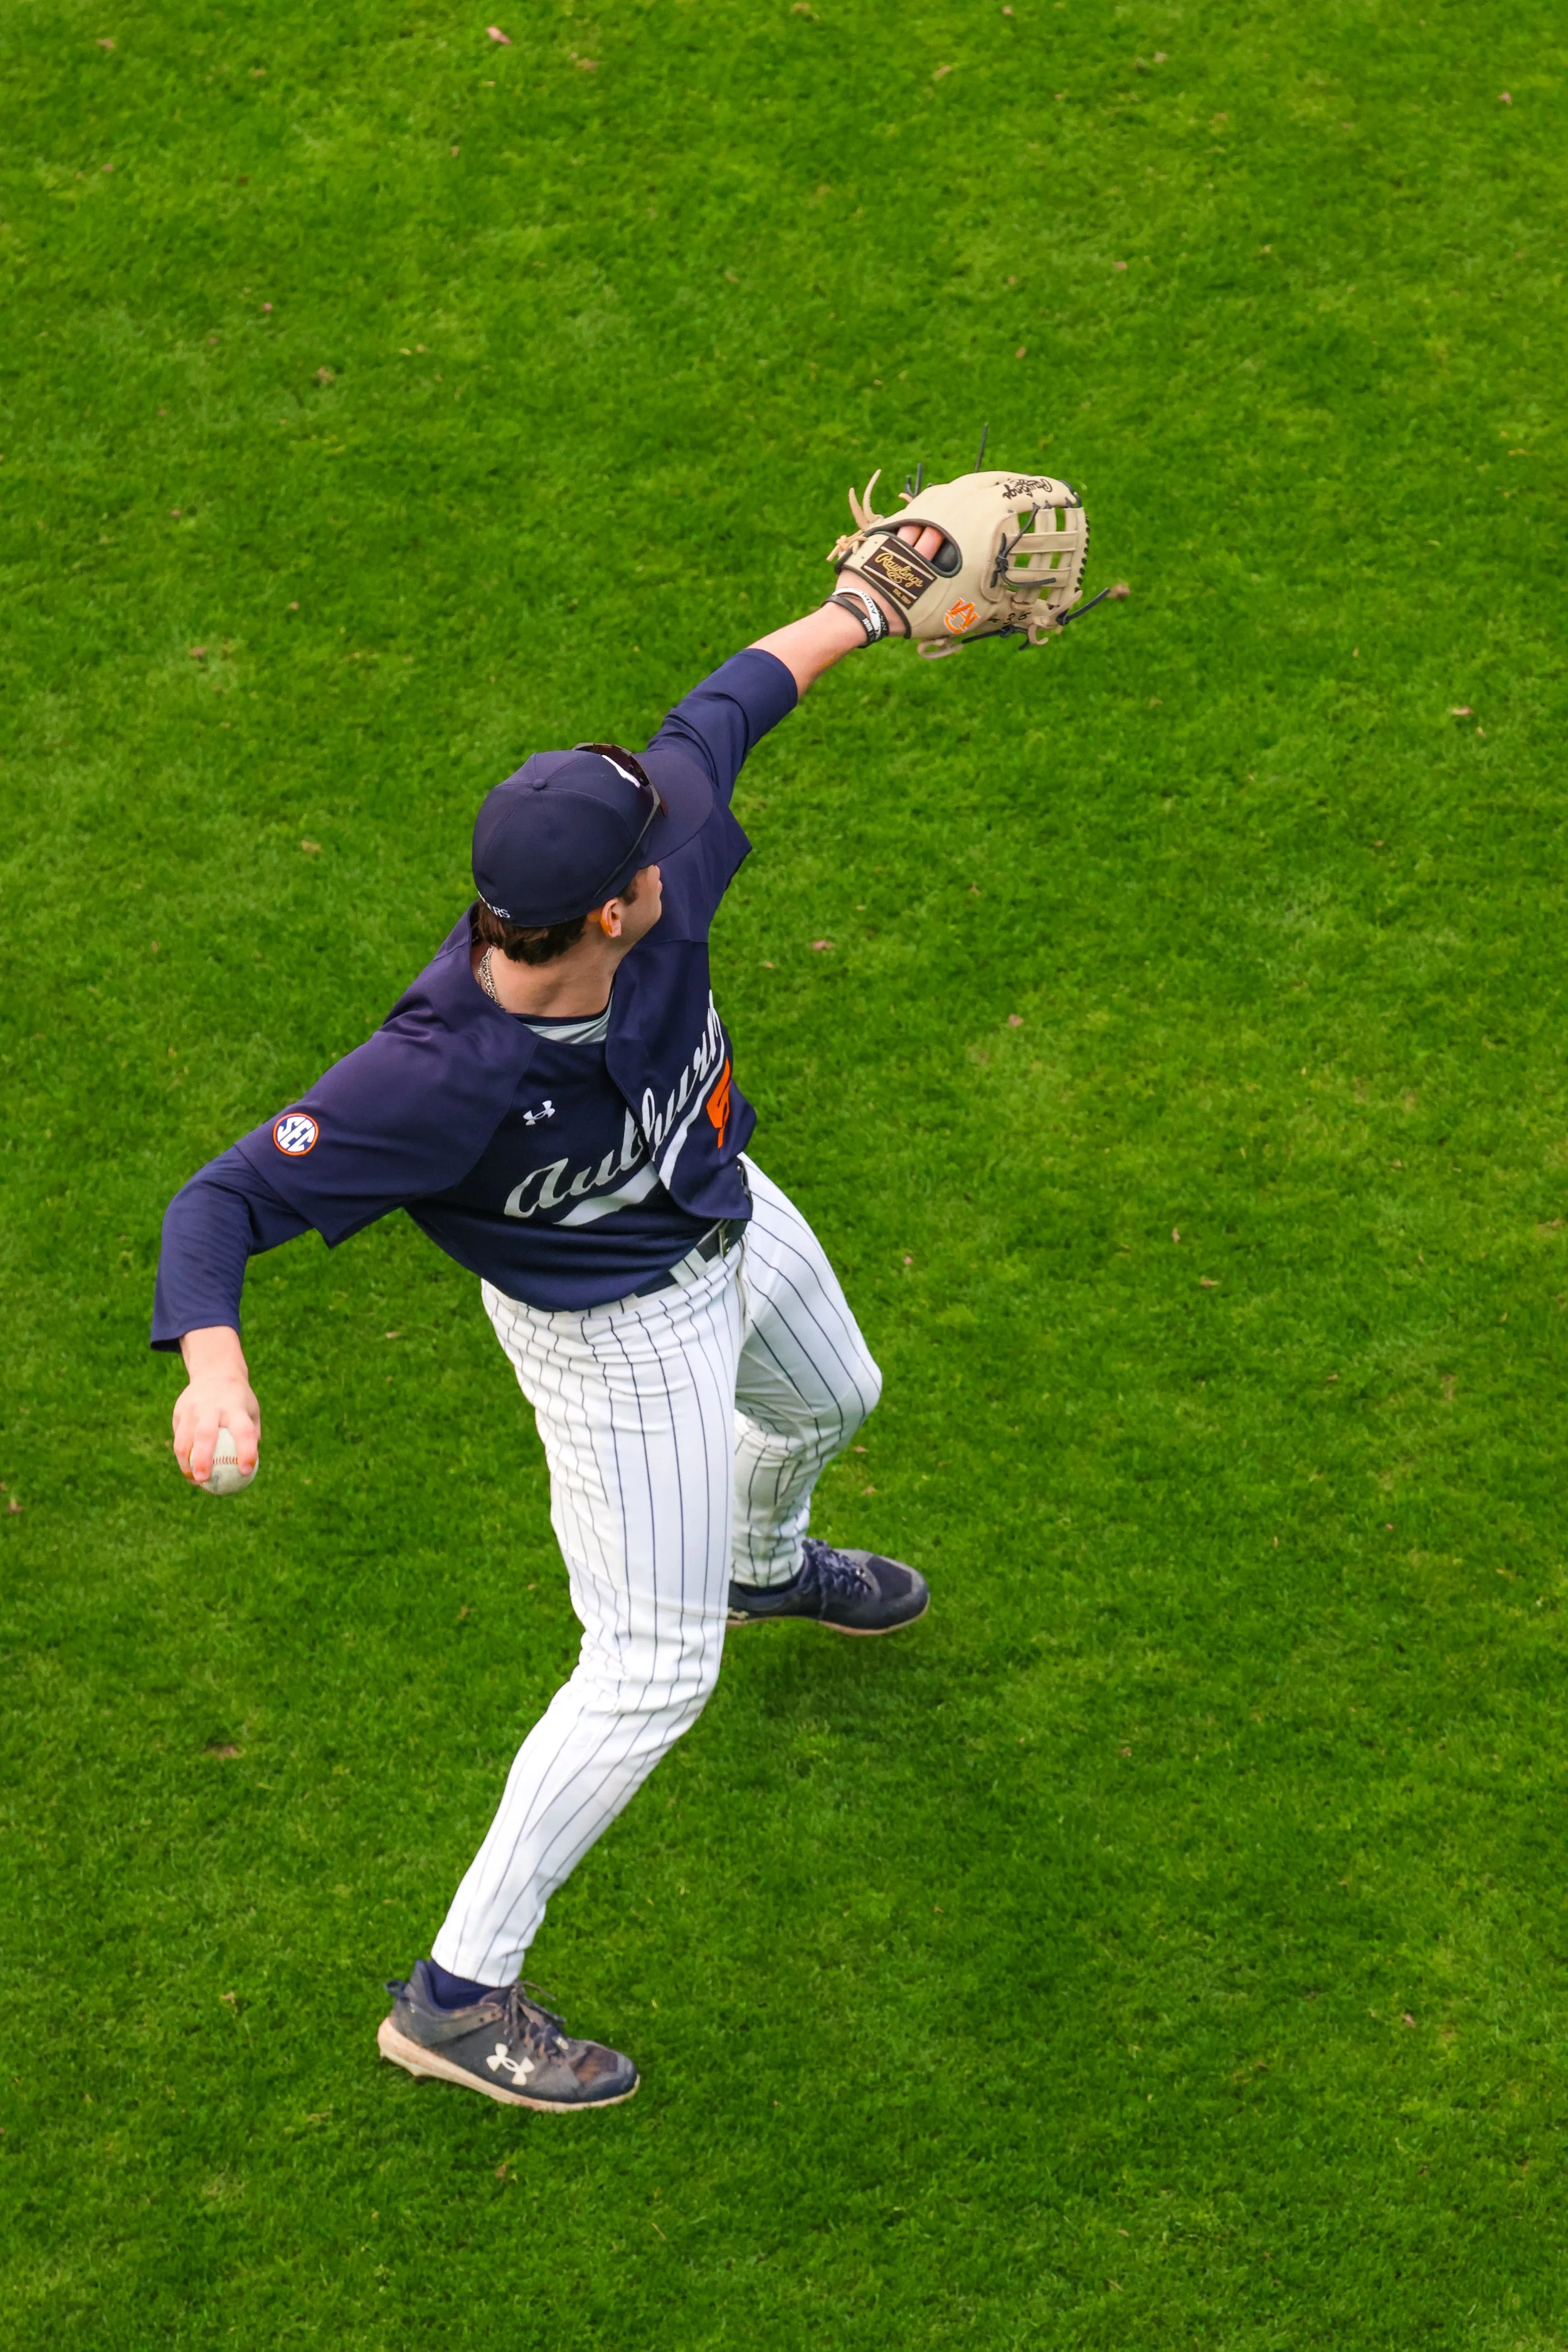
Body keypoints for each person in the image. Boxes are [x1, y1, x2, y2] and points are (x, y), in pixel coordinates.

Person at [152, 525, 945, 2112]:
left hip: (729, 1209)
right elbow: (217, 1205)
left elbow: (722, 712)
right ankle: (460, 1995)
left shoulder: (659, 859)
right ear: (601, 914)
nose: (676, 845)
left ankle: (761, 1563)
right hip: (611, 1342)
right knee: (647, 1674)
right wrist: (213, 1367)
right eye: (646, 857)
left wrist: (864, 602)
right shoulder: (430, 1080)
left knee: (832, 1398)